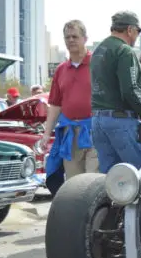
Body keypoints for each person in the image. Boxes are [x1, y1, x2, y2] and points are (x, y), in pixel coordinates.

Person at [90, 11, 141, 173]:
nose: (137, 37)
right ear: (130, 30)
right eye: (137, 31)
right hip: (121, 122)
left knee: (111, 179)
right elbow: (130, 90)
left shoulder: (98, 51)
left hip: (98, 121)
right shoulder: (124, 51)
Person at [42, 19, 99, 186]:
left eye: (75, 36)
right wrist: (46, 134)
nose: (71, 40)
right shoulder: (60, 70)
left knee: (93, 180)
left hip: (95, 131)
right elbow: (55, 105)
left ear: (85, 39)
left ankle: (95, 213)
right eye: (67, 37)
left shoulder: (98, 64)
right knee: (74, 185)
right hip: (69, 133)